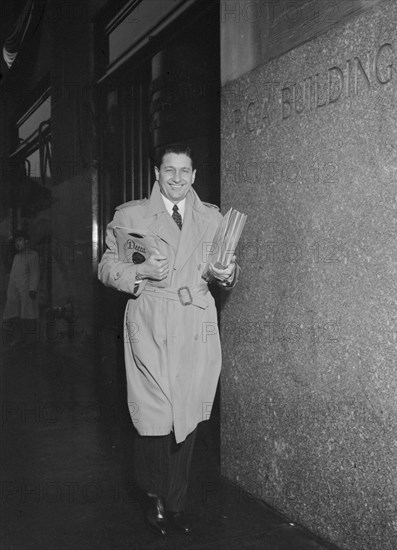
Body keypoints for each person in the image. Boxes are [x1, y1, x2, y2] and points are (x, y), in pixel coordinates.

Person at [98, 143, 238, 537]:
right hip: (152, 321)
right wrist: (140, 272)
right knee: (155, 415)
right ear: (157, 173)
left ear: (194, 175)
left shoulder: (212, 218)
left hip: (196, 321)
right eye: (169, 170)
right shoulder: (131, 215)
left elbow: (227, 268)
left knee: (188, 414)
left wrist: (226, 272)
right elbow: (107, 266)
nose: (177, 178)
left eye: (185, 171)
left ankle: (175, 502)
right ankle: (152, 494)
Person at [2, 231, 40, 348]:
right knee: (16, 315)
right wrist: (10, 292)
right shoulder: (16, 257)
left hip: (27, 291)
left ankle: (30, 339)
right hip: (15, 292)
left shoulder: (32, 255)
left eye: (20, 241)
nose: (17, 244)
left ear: (26, 241)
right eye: (16, 242)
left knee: (28, 315)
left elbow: (35, 273)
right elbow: (13, 275)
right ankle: (19, 338)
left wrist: (32, 289)